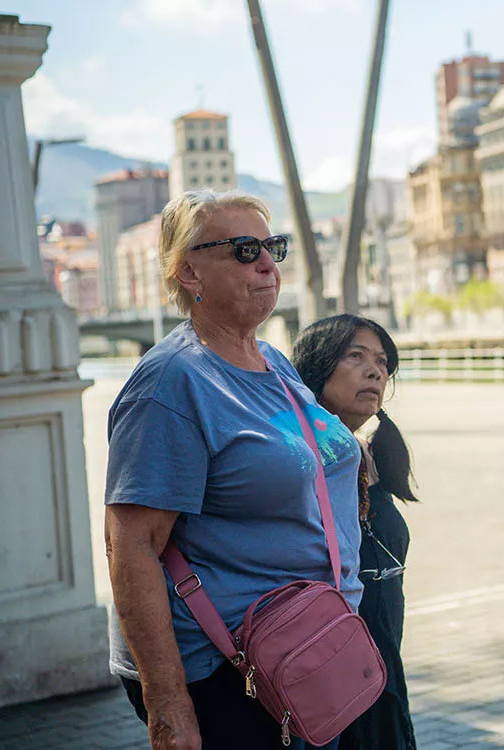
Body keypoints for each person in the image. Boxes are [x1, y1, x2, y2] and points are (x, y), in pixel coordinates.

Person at [104, 191, 364, 749]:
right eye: (245, 250)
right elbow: (131, 547)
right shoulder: (171, 383)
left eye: (273, 247)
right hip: (226, 669)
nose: (267, 264)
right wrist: (167, 704)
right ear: (188, 271)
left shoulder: (274, 362)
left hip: (311, 644)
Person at [293, 315, 419, 750]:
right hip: (325, 669)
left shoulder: (367, 457)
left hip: (381, 661)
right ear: (316, 367)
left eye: (382, 362)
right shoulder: (294, 462)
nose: (375, 372)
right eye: (355, 356)